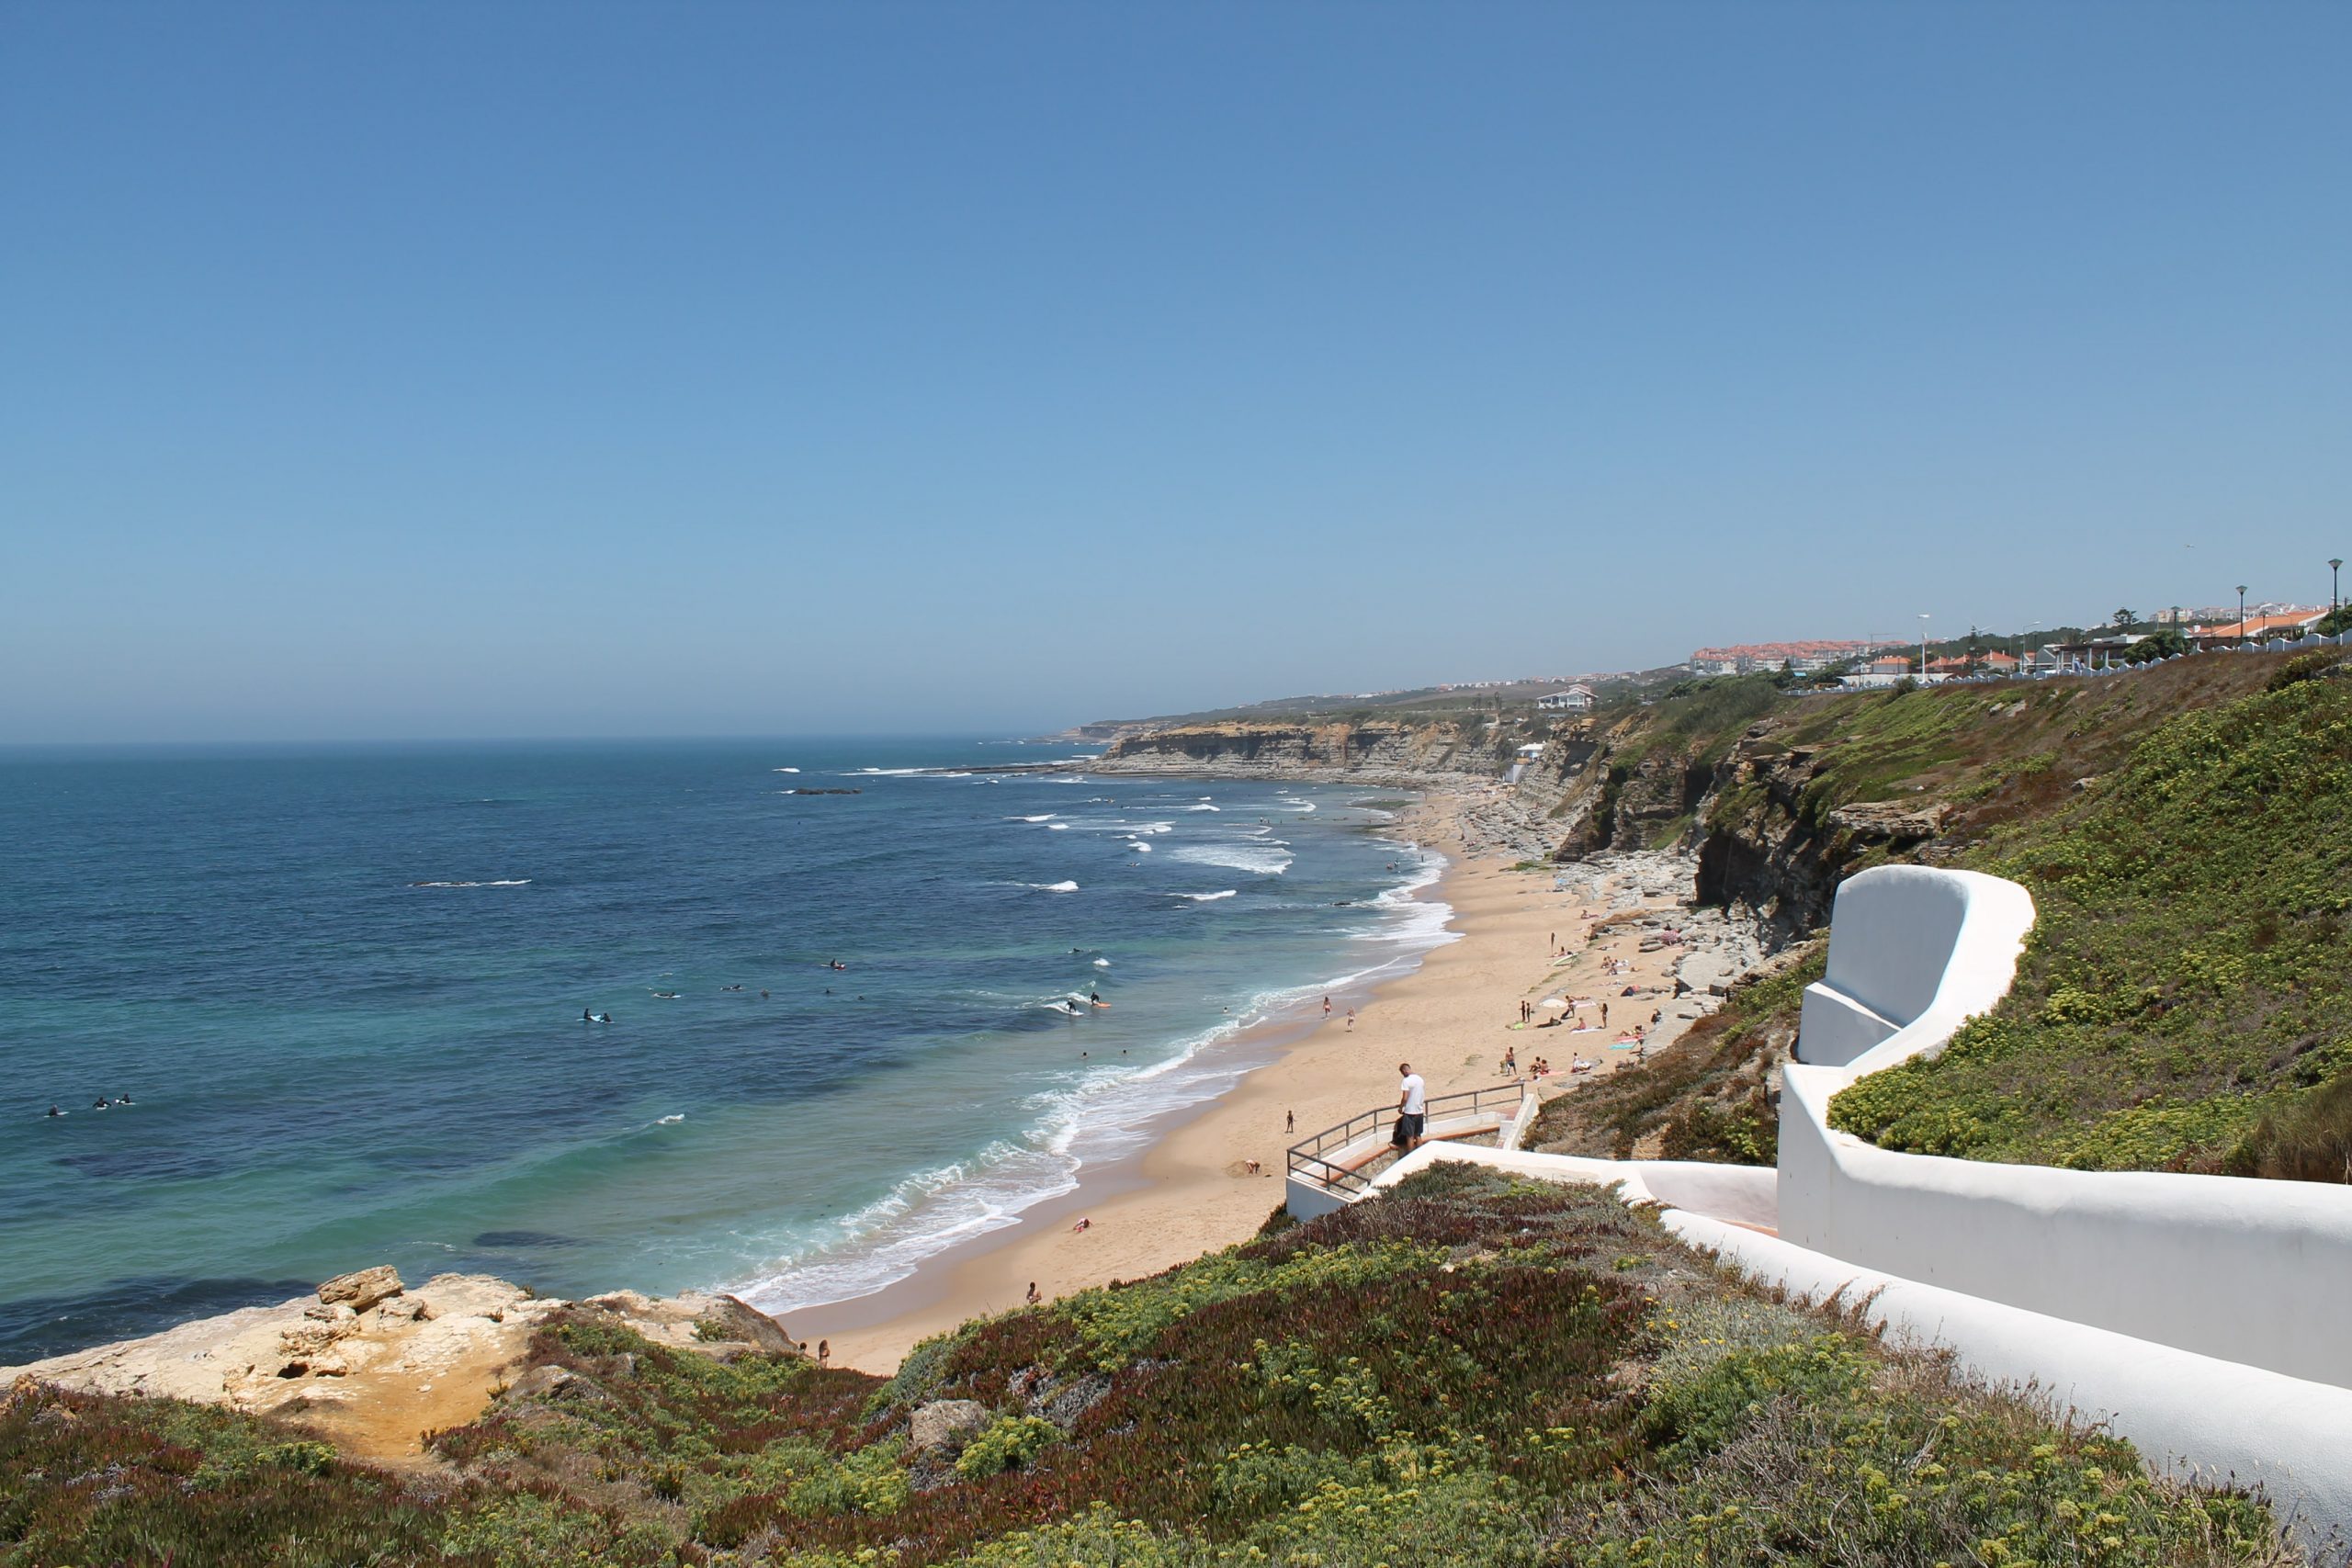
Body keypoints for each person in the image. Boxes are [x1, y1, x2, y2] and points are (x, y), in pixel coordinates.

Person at [1391, 1063, 1426, 1153]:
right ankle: (1420, 1154)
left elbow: (1405, 1097)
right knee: (1418, 1135)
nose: (1403, 1075)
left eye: (1402, 1073)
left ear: (1404, 1071)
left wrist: (1400, 1107)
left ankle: (1411, 1157)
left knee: (1409, 1136)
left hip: (1410, 1112)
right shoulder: (1420, 1079)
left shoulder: (1406, 1081)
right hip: (1420, 1111)